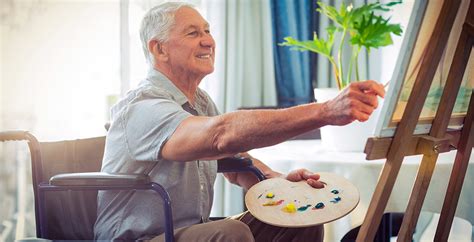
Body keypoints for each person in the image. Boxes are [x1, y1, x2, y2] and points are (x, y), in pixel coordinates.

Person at [94, 2, 385, 241]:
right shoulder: (142, 107)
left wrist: (278, 182)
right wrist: (326, 111)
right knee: (231, 233)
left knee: (303, 219)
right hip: (140, 239)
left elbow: (234, 161)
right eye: (193, 33)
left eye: (207, 31)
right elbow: (221, 136)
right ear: (160, 49)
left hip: (187, 233)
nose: (208, 40)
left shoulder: (201, 102)